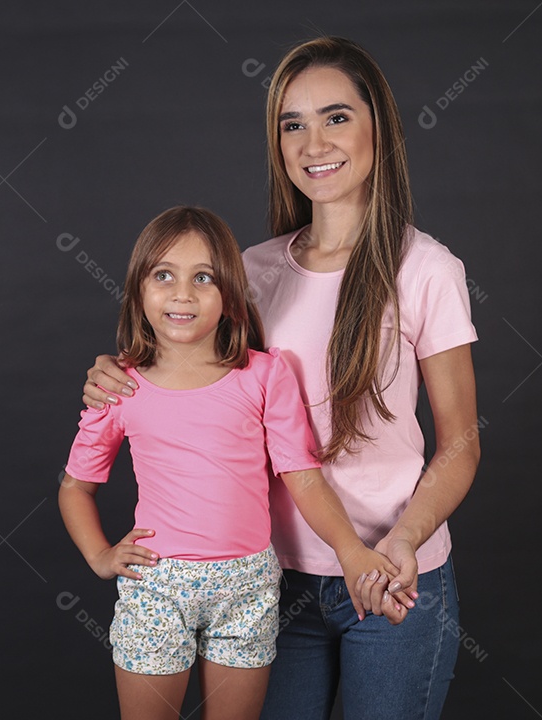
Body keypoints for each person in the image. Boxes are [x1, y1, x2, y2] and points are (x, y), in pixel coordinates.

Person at [82, 37, 480, 720]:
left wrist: (401, 542)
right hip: (268, 583)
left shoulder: (427, 270)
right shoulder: (252, 271)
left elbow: (461, 443)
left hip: (389, 581)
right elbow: (184, 371)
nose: (313, 141)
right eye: (291, 123)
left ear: (377, 127)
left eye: (335, 117)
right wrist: (116, 375)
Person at [59, 205, 408, 720]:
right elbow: (74, 487)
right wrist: (99, 556)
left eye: (203, 277)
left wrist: (352, 552)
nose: (182, 294)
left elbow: (302, 479)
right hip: (156, 586)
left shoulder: (264, 375)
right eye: (163, 276)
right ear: (137, 290)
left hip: (247, 586)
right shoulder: (121, 387)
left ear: (229, 296)